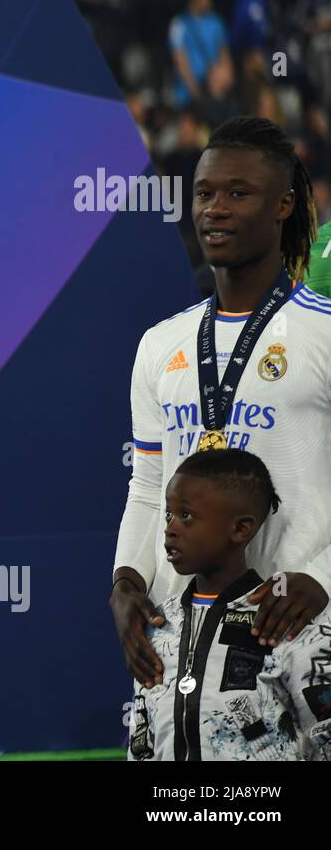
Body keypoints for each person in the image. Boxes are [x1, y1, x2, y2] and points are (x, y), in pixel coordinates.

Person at [112, 117, 331, 693]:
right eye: (205, 193)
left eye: (239, 193)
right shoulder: (160, 344)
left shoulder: (324, 333)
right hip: (179, 628)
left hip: (299, 623)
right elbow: (147, 484)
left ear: (284, 205)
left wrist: (321, 575)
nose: (215, 208)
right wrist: (127, 578)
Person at [127, 449, 331, 760]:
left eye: (186, 515)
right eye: (168, 513)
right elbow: (143, 739)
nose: (170, 528)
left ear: (241, 529)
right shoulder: (158, 626)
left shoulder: (286, 622)